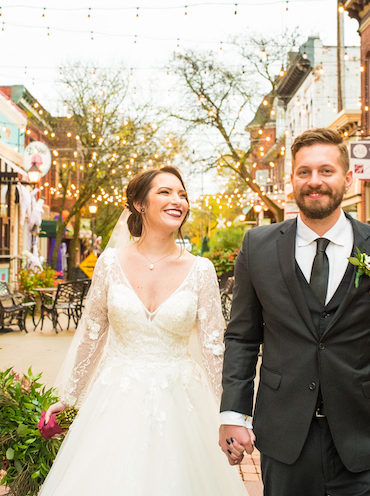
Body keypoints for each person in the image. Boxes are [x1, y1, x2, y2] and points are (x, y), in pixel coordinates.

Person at [219, 128, 370, 496]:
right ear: (292, 179)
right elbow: (242, 337)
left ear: (348, 177)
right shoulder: (257, 247)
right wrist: (233, 414)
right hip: (286, 436)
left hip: (366, 436)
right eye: (304, 172)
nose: (314, 181)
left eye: (326, 170)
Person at [41, 166, 248, 496]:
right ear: (139, 204)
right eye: (164, 192)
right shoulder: (109, 263)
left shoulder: (201, 270)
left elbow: (214, 349)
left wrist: (230, 414)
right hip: (115, 399)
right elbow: (92, 335)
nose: (176, 200)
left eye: (182, 194)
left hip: (182, 402)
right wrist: (68, 398)